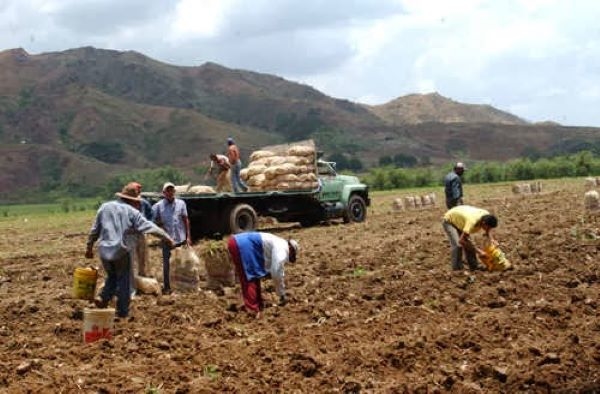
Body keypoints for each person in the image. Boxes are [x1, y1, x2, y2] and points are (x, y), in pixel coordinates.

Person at [85, 183, 175, 318]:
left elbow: (94, 230)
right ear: (133, 201)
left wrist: (89, 247)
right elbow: (149, 226)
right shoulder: (132, 211)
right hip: (121, 249)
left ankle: (103, 298)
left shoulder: (104, 207)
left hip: (104, 250)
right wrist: (167, 238)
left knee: (112, 276)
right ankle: (122, 312)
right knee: (124, 280)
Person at [227, 232, 299, 318]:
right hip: (242, 244)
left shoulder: (279, 243)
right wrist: (281, 294)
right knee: (250, 277)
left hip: (240, 242)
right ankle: (252, 310)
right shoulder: (282, 249)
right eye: (292, 254)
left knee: (255, 275)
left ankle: (258, 305)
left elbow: (271, 265)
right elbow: (276, 271)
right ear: (291, 249)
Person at [152, 182, 192, 294]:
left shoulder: (181, 204)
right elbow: (152, 221)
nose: (170, 193)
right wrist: (160, 228)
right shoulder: (158, 206)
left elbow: (185, 220)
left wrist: (188, 236)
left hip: (181, 239)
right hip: (167, 240)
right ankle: (167, 287)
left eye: (172, 190)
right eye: (168, 191)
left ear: (174, 191)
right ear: (164, 193)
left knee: (183, 263)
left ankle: (181, 287)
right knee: (167, 264)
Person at [442, 205, 498, 271]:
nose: (489, 229)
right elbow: (461, 241)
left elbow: (488, 230)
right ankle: (457, 270)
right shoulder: (471, 222)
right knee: (458, 245)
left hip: (461, 220)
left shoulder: (487, 216)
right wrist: (479, 251)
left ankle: (474, 266)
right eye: (488, 227)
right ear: (483, 223)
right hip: (450, 221)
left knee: (469, 244)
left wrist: (492, 240)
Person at [125, 182, 152, 298]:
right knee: (130, 260)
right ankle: (131, 287)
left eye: (139, 190)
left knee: (143, 258)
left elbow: (151, 215)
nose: (138, 192)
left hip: (141, 233)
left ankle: (143, 281)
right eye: (136, 190)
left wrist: (148, 224)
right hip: (129, 235)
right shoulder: (124, 204)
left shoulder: (144, 203)